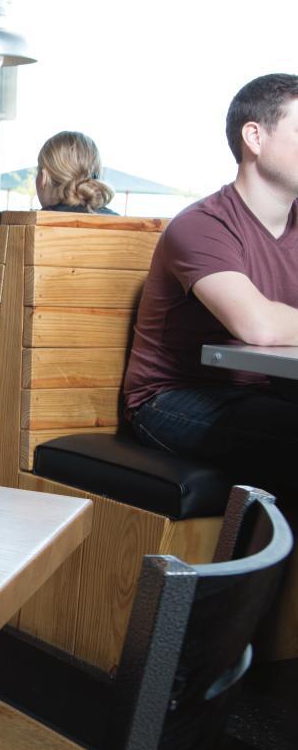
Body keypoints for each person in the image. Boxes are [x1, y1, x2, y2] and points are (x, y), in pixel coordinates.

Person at [123, 73, 298, 477]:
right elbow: (257, 325)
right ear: (254, 137)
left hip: (270, 391)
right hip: (172, 400)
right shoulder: (202, 225)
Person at [0, 131, 118, 385]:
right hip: (107, 360)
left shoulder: (26, 228)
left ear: (43, 177)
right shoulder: (125, 227)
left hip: (39, 360)